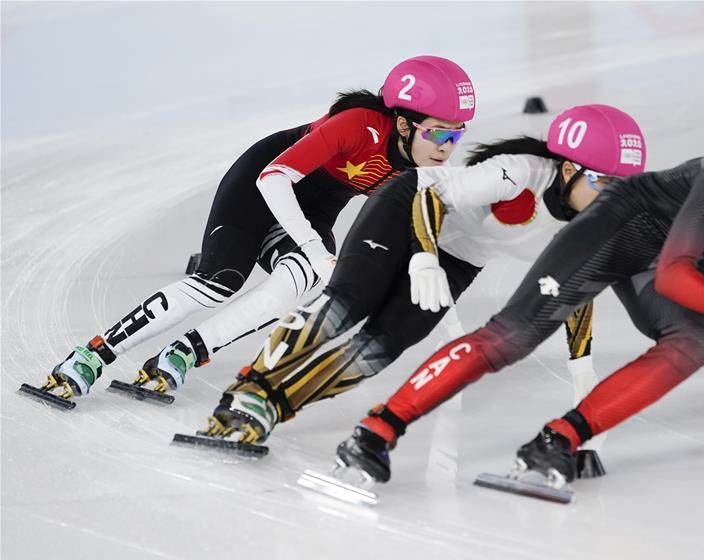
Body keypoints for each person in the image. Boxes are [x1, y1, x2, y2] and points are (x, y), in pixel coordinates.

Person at [331, 104, 704, 487]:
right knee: (512, 337)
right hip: (616, 226)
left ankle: (558, 441)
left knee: (692, 342)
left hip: (655, 255)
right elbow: (677, 276)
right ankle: (377, 428)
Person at [199, 104, 647, 446]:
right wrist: (423, 258)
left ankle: (274, 405)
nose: (614, 196)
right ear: (569, 170)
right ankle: (249, 386)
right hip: (405, 213)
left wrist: (582, 368)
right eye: (605, 182)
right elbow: (432, 194)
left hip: (458, 258)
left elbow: (573, 286)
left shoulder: (595, 223)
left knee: (381, 348)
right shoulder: (519, 172)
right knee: (346, 304)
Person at [35, 56, 476, 400]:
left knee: (301, 281)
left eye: (457, 136)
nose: (447, 149)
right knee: (218, 282)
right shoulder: (357, 124)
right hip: (260, 181)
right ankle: (92, 355)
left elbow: (414, 241)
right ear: (403, 122)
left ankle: (186, 351)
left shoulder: (414, 171)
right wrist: (310, 243)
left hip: (313, 210)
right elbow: (274, 178)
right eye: (439, 134)